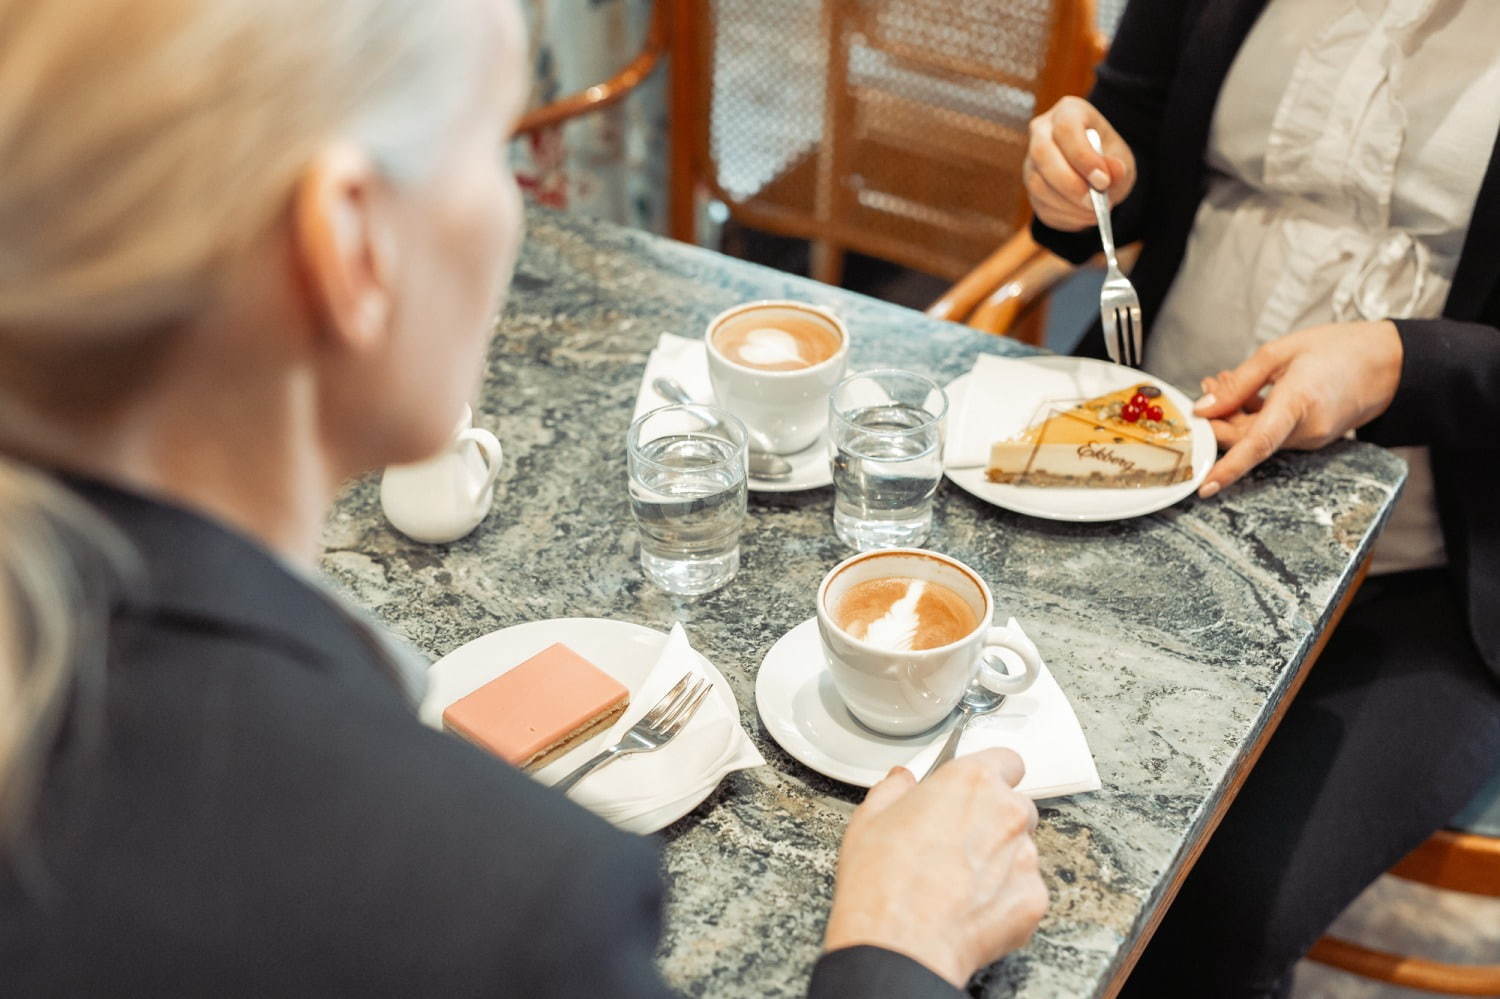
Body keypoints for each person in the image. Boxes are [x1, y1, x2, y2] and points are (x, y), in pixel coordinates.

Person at [0, 0, 1049, 994]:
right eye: (493, 152)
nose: (513, 218)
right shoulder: (504, 906)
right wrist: (894, 944)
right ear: (350, 243)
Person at [1023, 0, 1500, 996]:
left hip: (1425, 583)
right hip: (1137, 477)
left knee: (1213, 901)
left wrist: (1403, 362)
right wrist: (1081, 183)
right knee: (950, 758)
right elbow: (1133, 157)